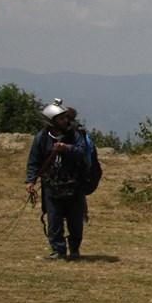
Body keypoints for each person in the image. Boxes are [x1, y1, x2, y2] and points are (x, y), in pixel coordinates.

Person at [25, 99, 95, 260]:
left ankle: (75, 249)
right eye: (61, 118)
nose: (65, 121)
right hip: (51, 185)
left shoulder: (75, 135)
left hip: (74, 184)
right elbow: (34, 160)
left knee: (75, 220)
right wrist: (30, 181)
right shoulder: (41, 138)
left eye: (65, 118)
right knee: (54, 219)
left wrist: (67, 148)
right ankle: (58, 250)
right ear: (52, 121)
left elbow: (82, 152)